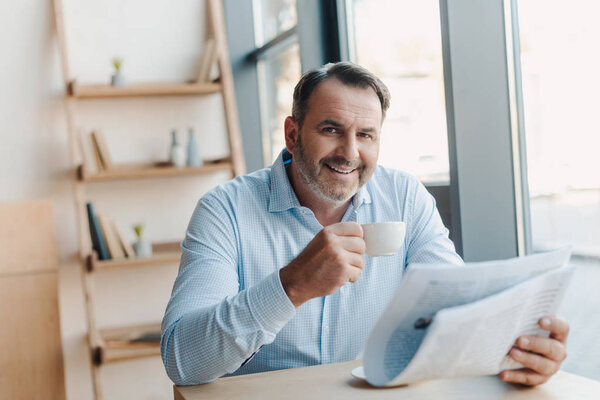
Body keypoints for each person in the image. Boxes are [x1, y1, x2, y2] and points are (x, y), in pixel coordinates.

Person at [161, 62, 569, 387]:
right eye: (331, 129)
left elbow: (458, 310)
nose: (350, 152)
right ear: (292, 133)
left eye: (367, 135)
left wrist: (519, 352)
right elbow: (183, 360)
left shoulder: (405, 197)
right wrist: (291, 286)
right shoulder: (225, 210)